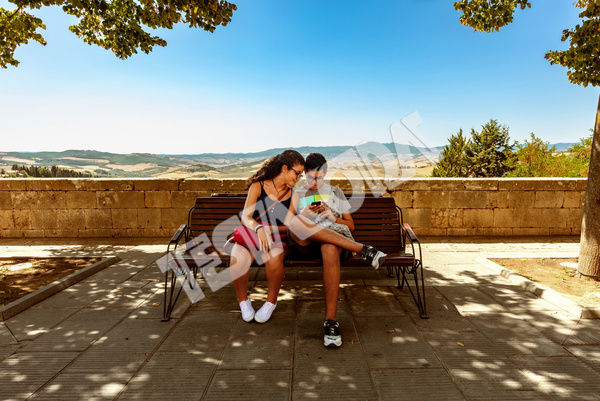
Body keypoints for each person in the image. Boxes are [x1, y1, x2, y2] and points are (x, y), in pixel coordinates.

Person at [289, 153, 387, 348]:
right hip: (306, 245)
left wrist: (332, 218)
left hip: (332, 243)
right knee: (297, 221)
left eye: (318, 177)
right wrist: (305, 216)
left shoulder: (336, 193)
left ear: (325, 173)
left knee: (330, 247)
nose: (313, 182)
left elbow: (350, 226)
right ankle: (364, 250)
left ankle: (331, 322)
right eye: (309, 177)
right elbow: (289, 225)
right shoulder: (297, 194)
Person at [229, 149, 305, 324]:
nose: (298, 178)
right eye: (297, 173)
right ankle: (244, 302)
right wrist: (259, 228)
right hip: (252, 236)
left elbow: (289, 226)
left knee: (275, 257)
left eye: (300, 175)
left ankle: (271, 302)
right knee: (237, 257)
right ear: (285, 168)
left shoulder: (293, 196)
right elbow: (246, 217)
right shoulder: (258, 186)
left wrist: (269, 229)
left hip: (277, 239)